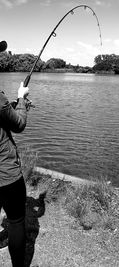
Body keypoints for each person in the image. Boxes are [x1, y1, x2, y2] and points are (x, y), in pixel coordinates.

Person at [0, 40, 29, 267]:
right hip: (6, 174)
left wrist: (9, 105)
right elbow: (18, 124)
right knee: (17, 222)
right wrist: (21, 99)